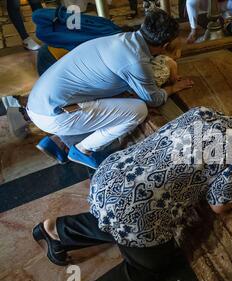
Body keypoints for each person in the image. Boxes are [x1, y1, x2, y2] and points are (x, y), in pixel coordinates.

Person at [31, 107, 232, 281]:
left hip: (109, 176)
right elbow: (220, 205)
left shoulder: (205, 112)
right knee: (152, 265)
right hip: (136, 206)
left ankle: (56, 230)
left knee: (123, 216)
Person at [26, 9, 194, 170]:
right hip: (52, 115)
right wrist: (173, 87)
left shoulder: (121, 38)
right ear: (165, 45)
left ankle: (57, 141)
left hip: (38, 100)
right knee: (138, 109)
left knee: (118, 97)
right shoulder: (136, 61)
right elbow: (153, 99)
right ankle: (83, 150)